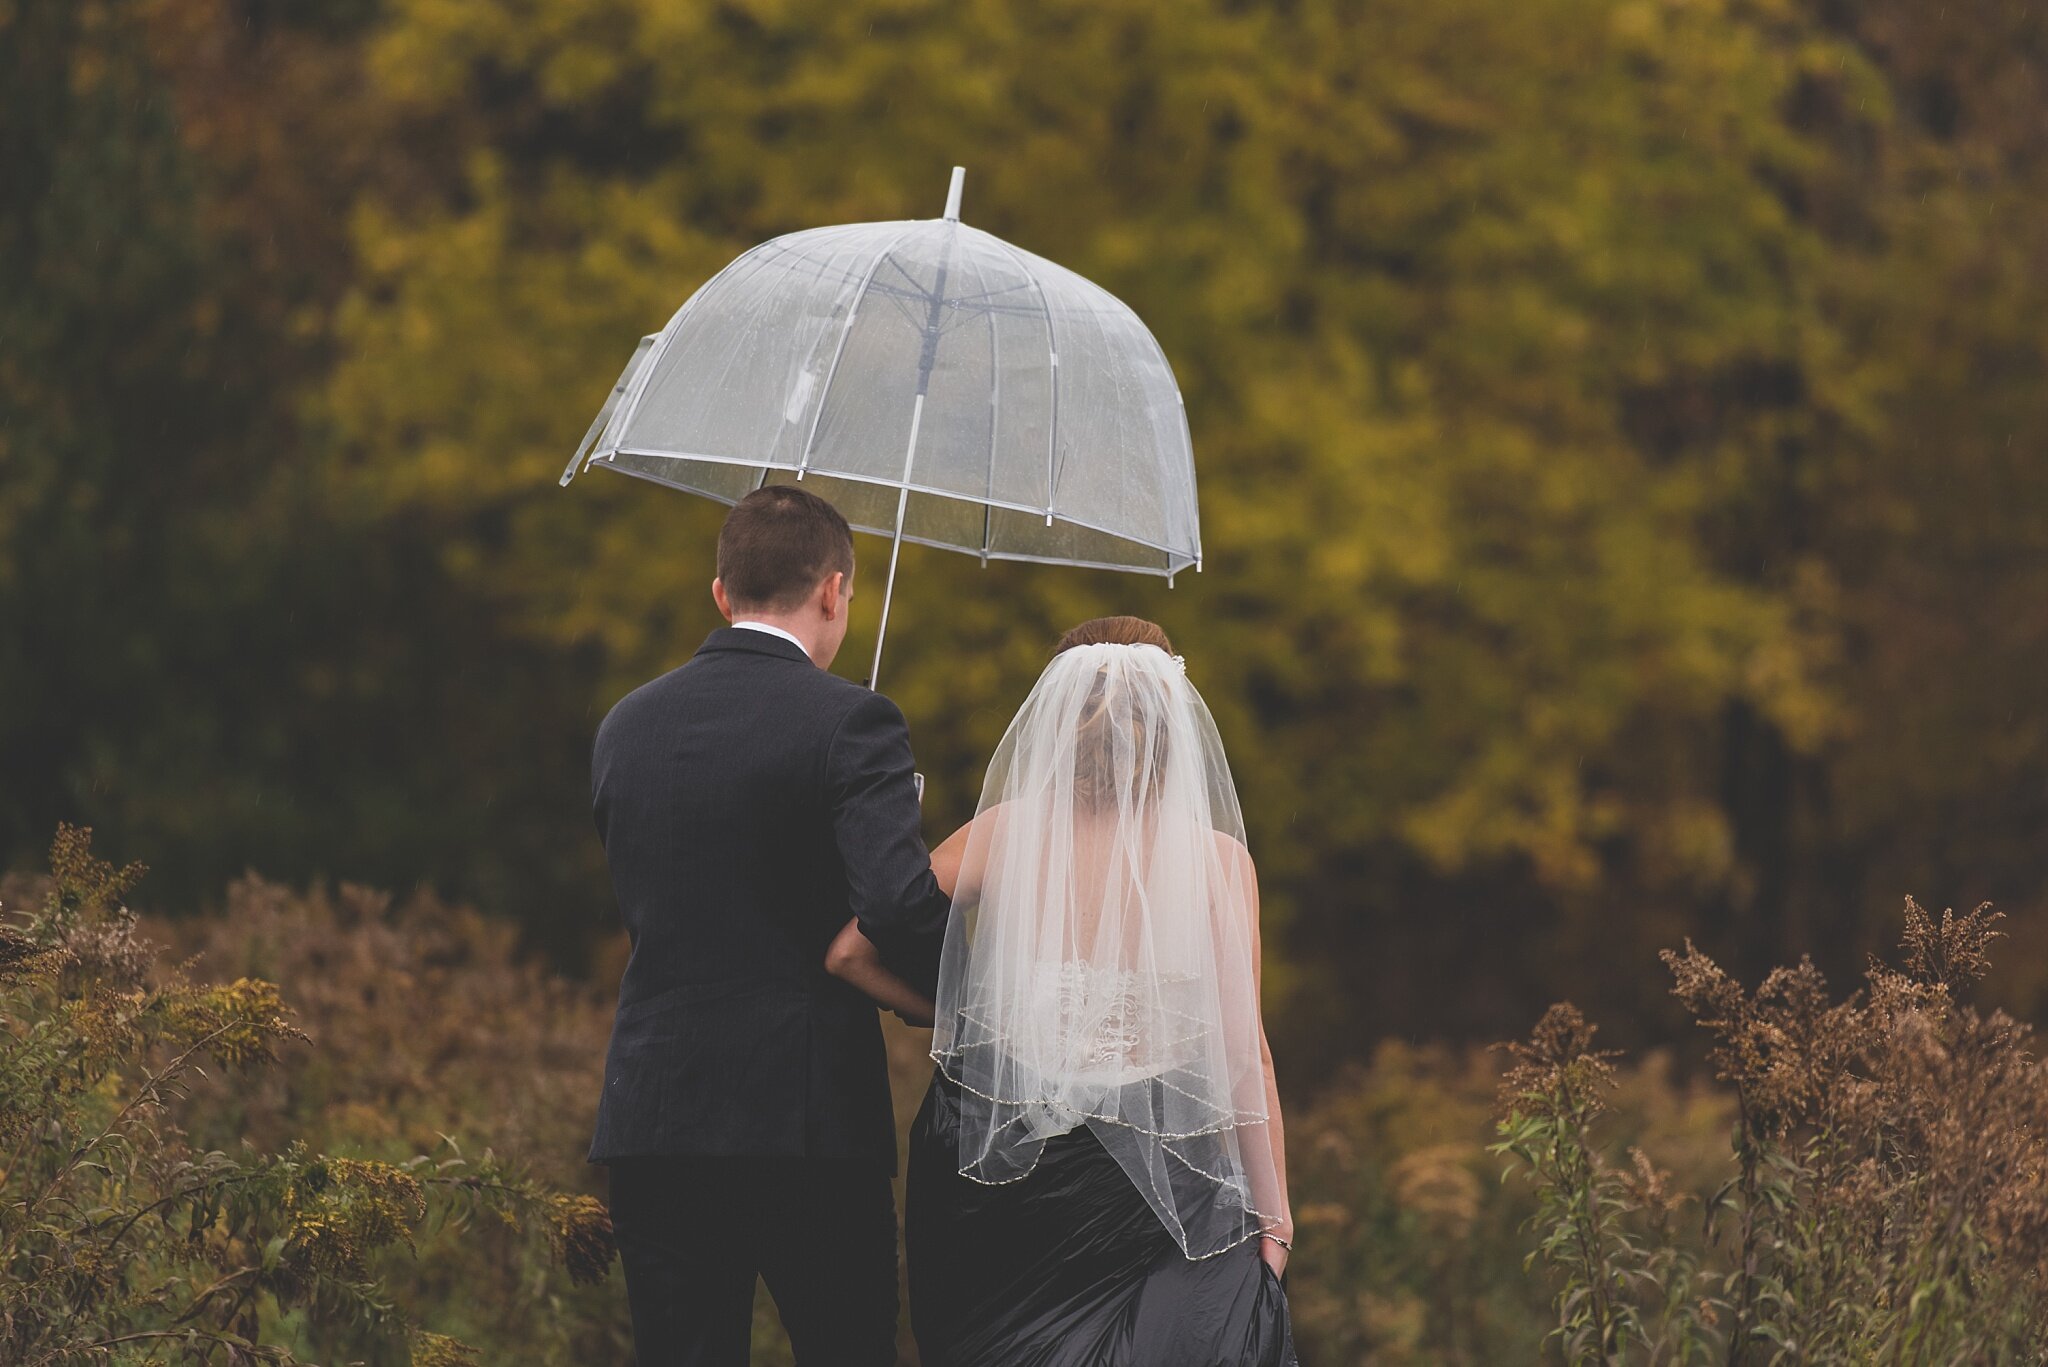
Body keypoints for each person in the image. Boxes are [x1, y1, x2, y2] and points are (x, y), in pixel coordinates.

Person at [827, 615, 1299, 1367]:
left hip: (1011, 1183)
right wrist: (1274, 1220)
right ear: (1173, 721)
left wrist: (962, 1016)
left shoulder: (1002, 834)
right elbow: (1248, 1060)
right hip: (1155, 1187)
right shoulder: (1217, 861)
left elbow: (850, 954)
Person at [587, 485, 949, 1367]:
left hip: (657, 1117)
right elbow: (898, 905)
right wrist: (975, 997)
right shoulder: (854, 721)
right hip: (806, 1120)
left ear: (722, 592)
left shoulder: (625, 725)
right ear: (833, 590)